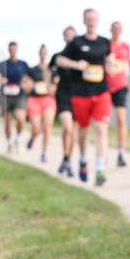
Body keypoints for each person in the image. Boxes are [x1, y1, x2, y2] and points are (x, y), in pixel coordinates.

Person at [56, 9, 114, 186]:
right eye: (88, 19)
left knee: (102, 129)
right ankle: (82, 159)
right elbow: (60, 60)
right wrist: (76, 64)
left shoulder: (105, 42)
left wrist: (111, 64)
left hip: (101, 92)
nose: (91, 22)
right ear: (84, 21)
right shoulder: (76, 42)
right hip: (81, 94)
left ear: (98, 21)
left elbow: (110, 59)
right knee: (82, 132)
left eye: (94, 19)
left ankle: (100, 169)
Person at [50, 26, 78, 177]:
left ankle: (67, 160)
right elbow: (51, 73)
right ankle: (65, 157)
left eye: (72, 36)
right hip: (63, 95)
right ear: (63, 37)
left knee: (73, 131)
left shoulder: (81, 57)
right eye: (67, 35)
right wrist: (51, 84)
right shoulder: (57, 56)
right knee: (67, 127)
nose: (70, 38)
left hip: (78, 96)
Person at [23, 45, 57, 163]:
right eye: (41, 52)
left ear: (46, 54)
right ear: (39, 54)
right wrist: (29, 86)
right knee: (36, 126)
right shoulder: (32, 70)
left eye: (45, 52)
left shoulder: (52, 70)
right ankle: (33, 137)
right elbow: (25, 84)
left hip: (48, 100)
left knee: (47, 126)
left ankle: (44, 152)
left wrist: (53, 87)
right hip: (34, 100)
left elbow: (57, 84)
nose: (43, 54)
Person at [0, 42, 30, 153]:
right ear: (9, 50)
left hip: (19, 95)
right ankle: (9, 142)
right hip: (6, 95)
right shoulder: (2, 65)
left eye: (14, 49)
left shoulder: (23, 64)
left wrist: (26, 84)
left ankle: (18, 139)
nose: (13, 52)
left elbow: (29, 78)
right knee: (8, 121)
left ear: (17, 50)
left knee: (21, 118)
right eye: (11, 50)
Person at [108, 20, 130, 167]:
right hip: (105, 85)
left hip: (121, 86)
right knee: (103, 122)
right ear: (111, 30)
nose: (116, 31)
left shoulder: (126, 47)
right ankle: (103, 151)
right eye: (114, 28)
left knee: (121, 120)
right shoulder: (106, 45)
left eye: (119, 29)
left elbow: (128, 65)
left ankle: (121, 152)